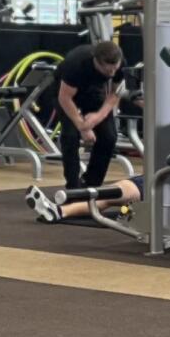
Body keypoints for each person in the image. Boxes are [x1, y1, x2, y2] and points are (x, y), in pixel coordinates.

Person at [28, 36, 131, 222]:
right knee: (70, 136)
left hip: (93, 94)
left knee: (108, 137)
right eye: (107, 69)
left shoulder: (119, 64)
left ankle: (91, 186)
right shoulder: (76, 64)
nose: (112, 72)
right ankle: (73, 189)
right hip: (66, 95)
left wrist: (97, 118)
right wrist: (82, 126)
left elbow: (114, 95)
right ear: (96, 61)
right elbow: (65, 98)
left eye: (114, 68)